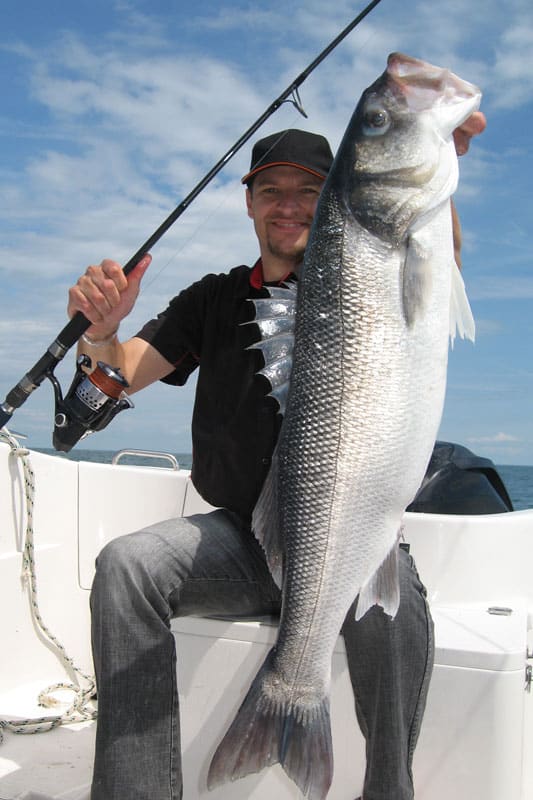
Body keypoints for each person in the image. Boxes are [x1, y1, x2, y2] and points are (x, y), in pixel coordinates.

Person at [69, 117, 486, 800]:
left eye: (307, 190)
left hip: (351, 540)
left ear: (332, 203)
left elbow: (435, 262)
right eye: (271, 191)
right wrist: (101, 332)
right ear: (248, 203)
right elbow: (107, 382)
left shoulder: (375, 286)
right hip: (239, 536)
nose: (287, 205)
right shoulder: (212, 299)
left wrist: (430, 164)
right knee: (127, 566)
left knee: (396, 610)